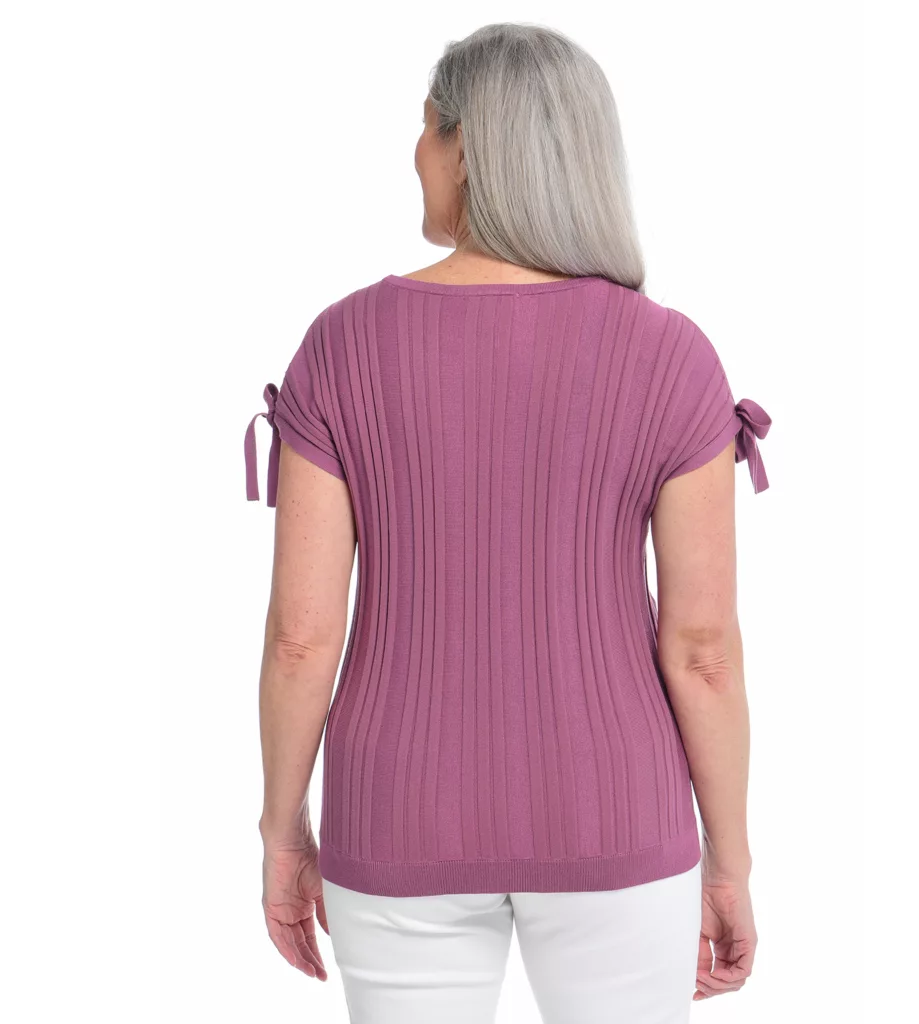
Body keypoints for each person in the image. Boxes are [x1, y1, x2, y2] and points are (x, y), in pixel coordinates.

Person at [244, 21, 770, 1024]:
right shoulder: (670, 357)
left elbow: (300, 640)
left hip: (395, 818)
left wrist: (281, 832)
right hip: (617, 818)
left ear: (465, 148)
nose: (414, 153)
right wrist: (729, 859)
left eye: (426, 128)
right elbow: (702, 649)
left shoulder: (342, 346)